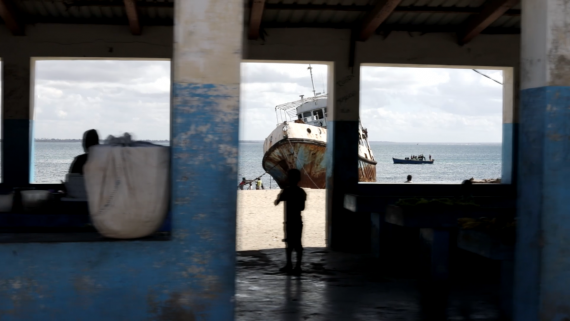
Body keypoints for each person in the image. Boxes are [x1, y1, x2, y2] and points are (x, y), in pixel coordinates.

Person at [274, 169, 306, 275]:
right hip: (297, 221)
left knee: (289, 244)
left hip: (288, 222)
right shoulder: (301, 192)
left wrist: (281, 197)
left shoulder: (286, 191)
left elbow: (277, 202)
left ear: (288, 179)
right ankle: (298, 266)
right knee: (298, 244)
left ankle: (289, 264)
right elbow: (302, 208)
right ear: (299, 179)